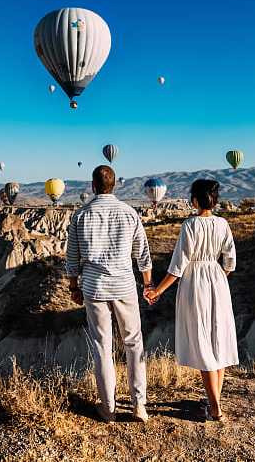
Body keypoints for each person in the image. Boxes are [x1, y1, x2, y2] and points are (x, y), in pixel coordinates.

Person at [145, 179, 238, 421]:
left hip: (195, 282)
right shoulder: (223, 224)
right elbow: (230, 262)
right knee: (218, 341)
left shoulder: (190, 225)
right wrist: (216, 275)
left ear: (195, 200)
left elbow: (178, 266)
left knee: (203, 342)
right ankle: (213, 401)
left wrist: (156, 291)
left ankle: (215, 407)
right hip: (218, 281)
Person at [66, 165, 153, 423]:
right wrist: (147, 284)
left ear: (93, 186)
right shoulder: (129, 214)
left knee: (102, 348)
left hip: (94, 288)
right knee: (134, 343)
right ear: (115, 185)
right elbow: (143, 253)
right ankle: (139, 406)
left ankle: (109, 409)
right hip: (125, 285)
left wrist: (74, 287)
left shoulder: (81, 216)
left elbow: (72, 258)